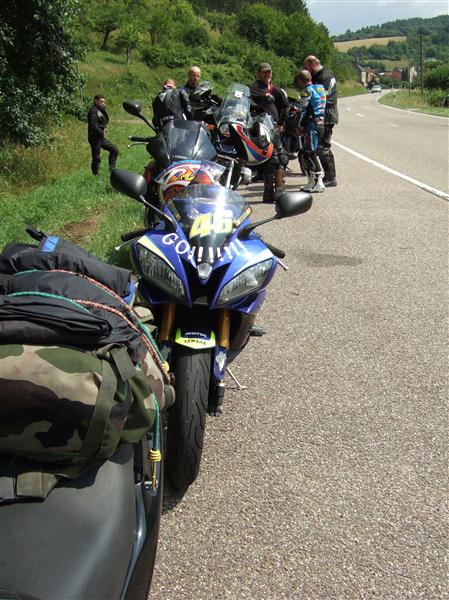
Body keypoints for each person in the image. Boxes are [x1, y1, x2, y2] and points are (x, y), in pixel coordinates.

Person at [249, 62, 289, 203]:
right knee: (273, 158)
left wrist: (281, 122)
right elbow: (245, 101)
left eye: (269, 72)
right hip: (261, 128)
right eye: (264, 72)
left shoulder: (274, 89)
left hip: (274, 127)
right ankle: (273, 192)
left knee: (280, 158)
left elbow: (285, 105)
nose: (267, 74)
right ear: (258, 74)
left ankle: (274, 192)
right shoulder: (252, 88)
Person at [303, 55, 338, 187]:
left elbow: (321, 97)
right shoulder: (321, 75)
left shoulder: (324, 77)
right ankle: (326, 176)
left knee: (323, 147)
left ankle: (330, 178)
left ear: (312, 64)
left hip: (327, 114)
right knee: (319, 147)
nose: (306, 71)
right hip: (323, 114)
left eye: (306, 67)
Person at [294, 70, 326, 193]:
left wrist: (298, 125)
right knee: (306, 152)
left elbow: (302, 109)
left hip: (312, 125)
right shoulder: (320, 88)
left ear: (300, 80)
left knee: (310, 152)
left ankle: (318, 182)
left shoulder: (307, 91)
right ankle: (311, 182)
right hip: (321, 123)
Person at [87, 94, 118, 176]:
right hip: (94, 138)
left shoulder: (100, 110)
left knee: (114, 150)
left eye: (104, 102)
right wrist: (101, 131)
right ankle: (95, 174)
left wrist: (104, 127)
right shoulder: (93, 111)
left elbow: (103, 121)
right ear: (96, 101)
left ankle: (112, 171)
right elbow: (92, 125)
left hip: (101, 138)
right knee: (97, 157)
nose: (103, 103)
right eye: (101, 101)